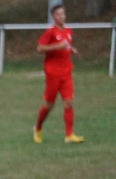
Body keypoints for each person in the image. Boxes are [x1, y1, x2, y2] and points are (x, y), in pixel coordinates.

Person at [34, 4, 83, 144]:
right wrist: (57, 46)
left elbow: (65, 46)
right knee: (49, 105)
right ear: (53, 17)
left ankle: (69, 135)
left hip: (66, 72)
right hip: (53, 73)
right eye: (58, 14)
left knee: (69, 103)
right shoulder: (50, 32)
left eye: (63, 14)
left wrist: (71, 49)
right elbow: (39, 48)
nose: (62, 17)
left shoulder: (68, 31)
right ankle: (38, 128)